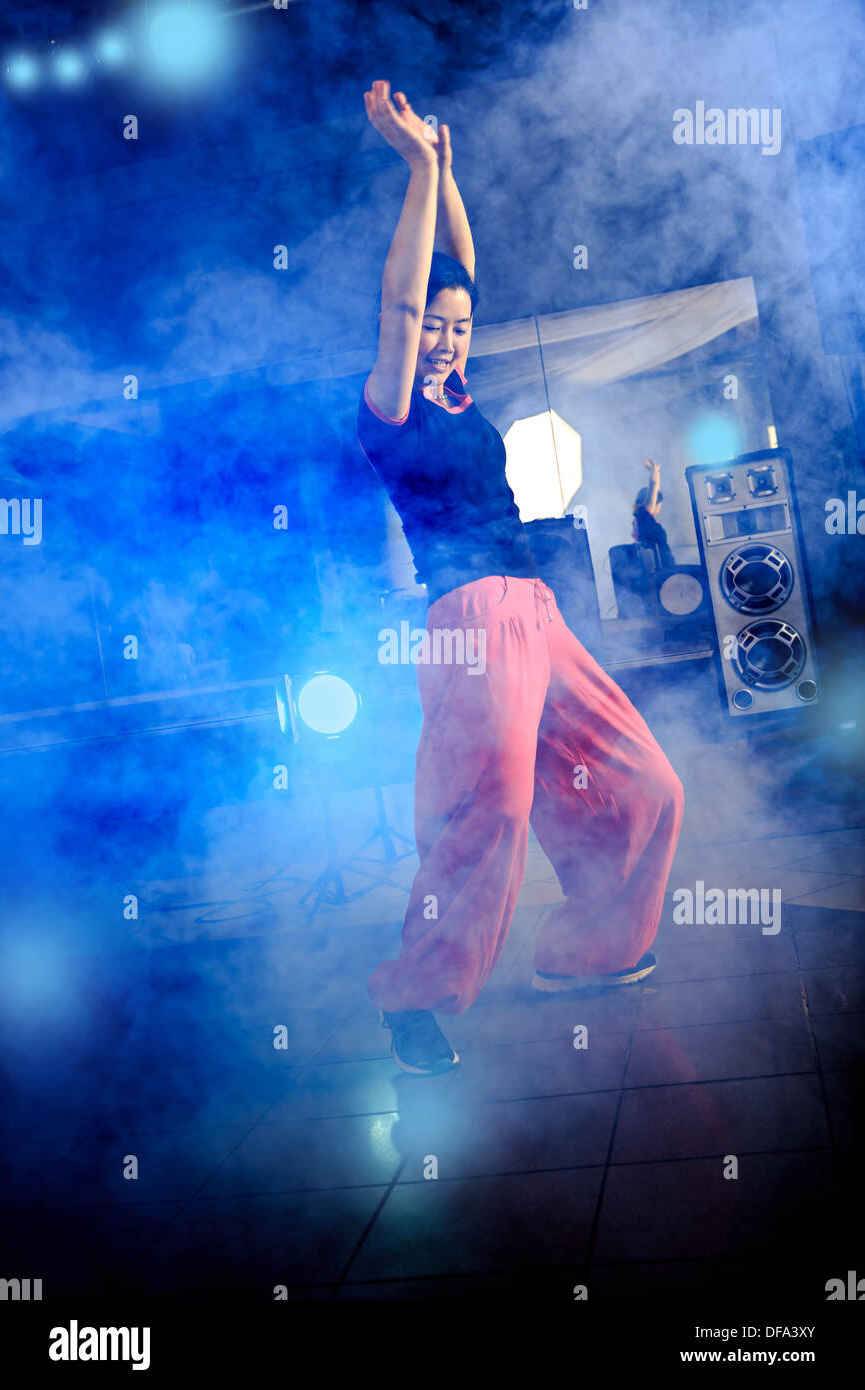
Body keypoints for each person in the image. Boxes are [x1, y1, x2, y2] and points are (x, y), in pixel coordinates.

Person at [357, 80, 684, 1077]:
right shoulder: (386, 405)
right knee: (488, 807)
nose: (447, 335)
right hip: (464, 621)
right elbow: (408, 294)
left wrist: (447, 171)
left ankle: (587, 948)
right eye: (434, 327)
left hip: (534, 614)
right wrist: (416, 172)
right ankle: (414, 999)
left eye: (459, 327)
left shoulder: (457, 395)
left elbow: (460, 270)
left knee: (649, 783)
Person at [632, 457, 676, 569]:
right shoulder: (644, 515)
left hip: (661, 568)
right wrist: (654, 471)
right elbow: (653, 485)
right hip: (660, 570)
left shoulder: (642, 519)